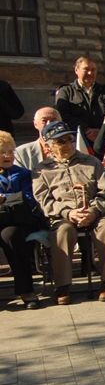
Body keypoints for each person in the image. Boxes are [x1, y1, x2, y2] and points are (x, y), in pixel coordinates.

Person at [33, 120, 105, 304]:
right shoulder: (42, 170)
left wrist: (93, 211)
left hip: (95, 212)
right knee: (63, 232)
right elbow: (44, 201)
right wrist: (68, 213)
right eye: (61, 141)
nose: (68, 145)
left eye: (70, 139)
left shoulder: (91, 162)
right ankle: (63, 285)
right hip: (62, 215)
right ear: (49, 146)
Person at [0, 130, 43, 308]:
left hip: (16, 220)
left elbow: (29, 199)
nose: (8, 155)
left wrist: (5, 199)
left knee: (13, 237)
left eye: (11, 151)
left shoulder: (23, 174)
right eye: (2, 152)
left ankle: (26, 289)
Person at [55, 56, 105, 142]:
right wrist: (85, 130)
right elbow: (62, 115)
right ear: (76, 70)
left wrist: (102, 131)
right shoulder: (66, 91)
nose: (90, 73)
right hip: (77, 140)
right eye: (86, 69)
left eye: (93, 70)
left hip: (103, 139)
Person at [15, 106, 60, 171]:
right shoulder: (21, 153)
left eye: (53, 120)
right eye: (44, 121)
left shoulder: (70, 150)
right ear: (35, 124)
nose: (49, 124)